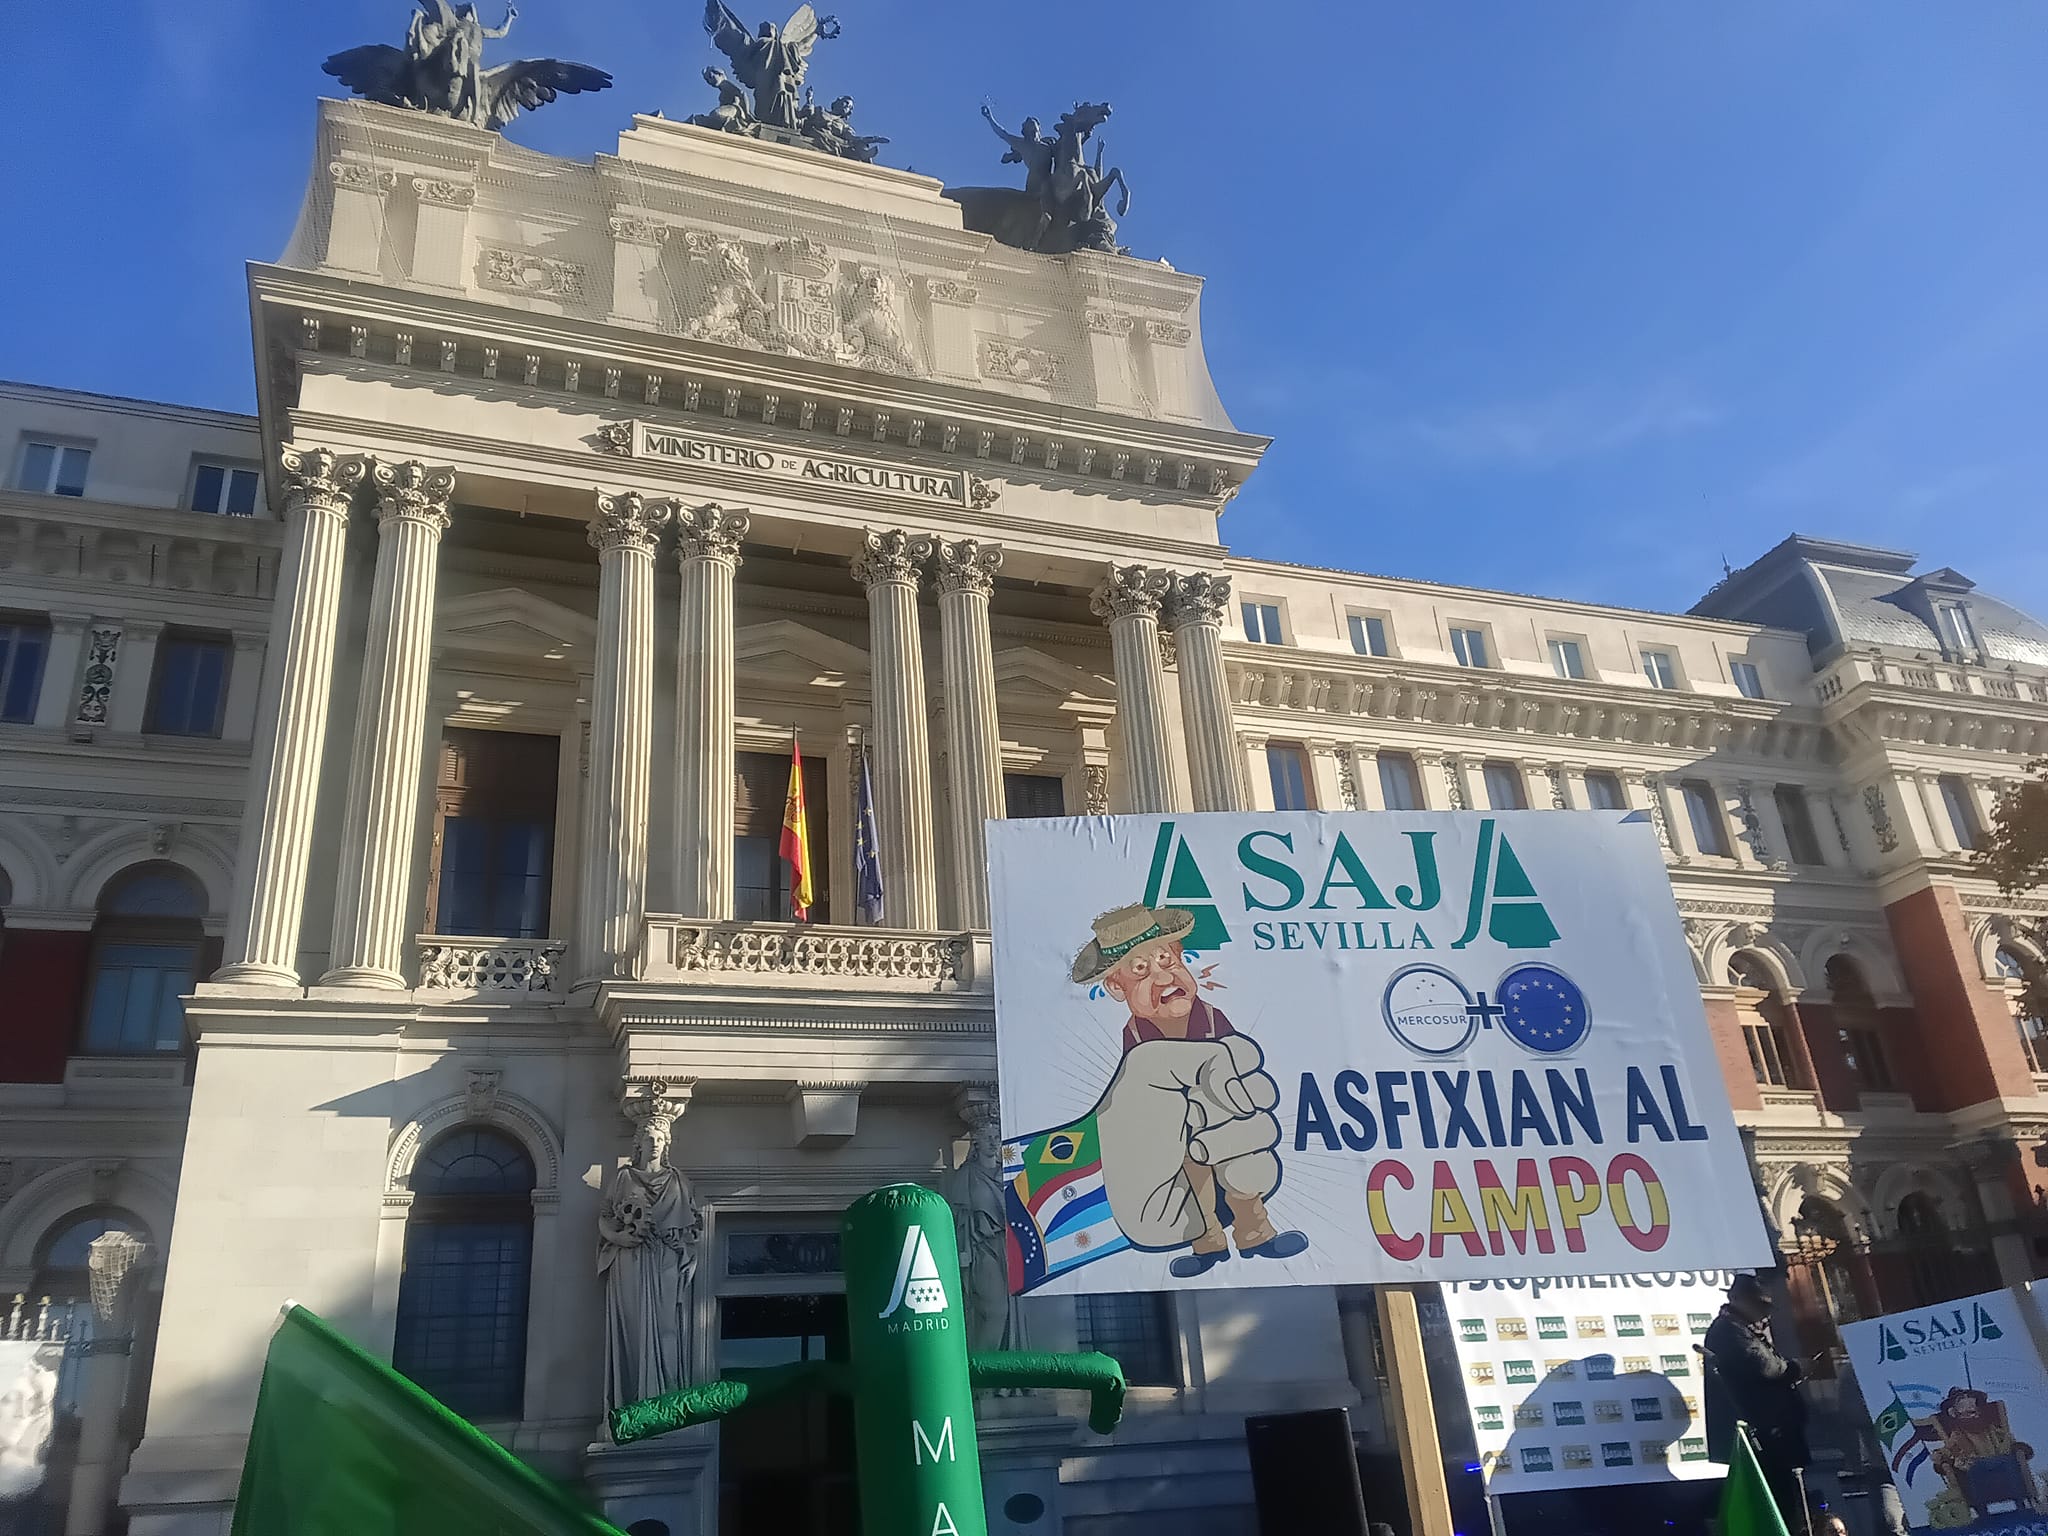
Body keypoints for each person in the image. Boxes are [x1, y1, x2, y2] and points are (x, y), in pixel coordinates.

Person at [1703, 1272, 1811, 1524]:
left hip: (1775, 1433)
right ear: (1736, 1299)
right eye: (1759, 1304)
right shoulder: (1728, 1330)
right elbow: (1765, 1367)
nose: (1765, 1312)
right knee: (1779, 1504)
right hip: (1762, 1435)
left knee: (1789, 1501)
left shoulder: (1743, 1328)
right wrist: (1797, 1368)